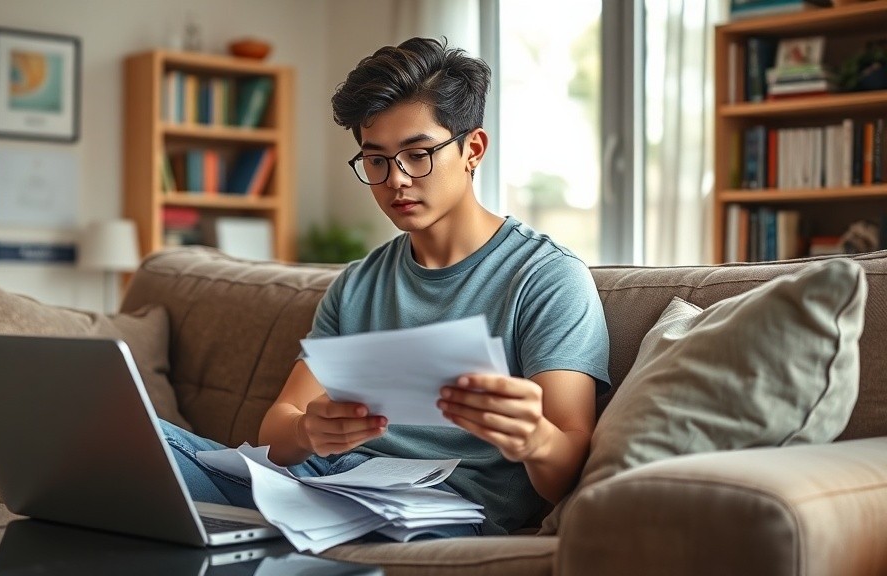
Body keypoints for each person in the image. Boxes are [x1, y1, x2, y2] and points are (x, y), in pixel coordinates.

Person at [160, 36, 611, 538]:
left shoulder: (547, 278)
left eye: (417, 154)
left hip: (442, 510)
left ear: (473, 150)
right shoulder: (358, 283)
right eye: (375, 160)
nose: (396, 180)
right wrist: (307, 431)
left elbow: (567, 469)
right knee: (142, 441)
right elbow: (277, 426)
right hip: (324, 484)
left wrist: (535, 440)